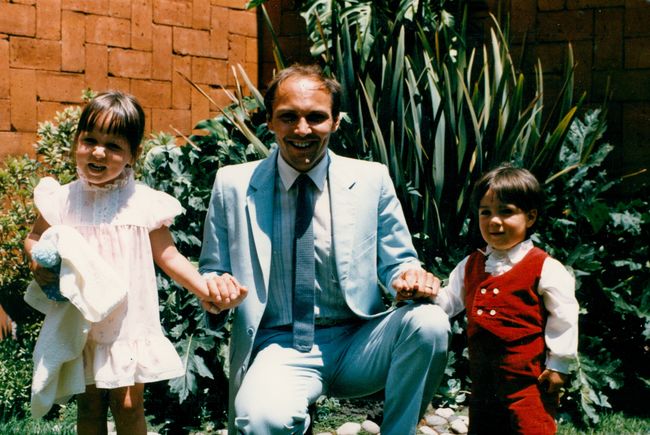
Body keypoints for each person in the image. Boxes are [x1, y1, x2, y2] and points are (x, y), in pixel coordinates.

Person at [199, 63, 450, 435]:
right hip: (279, 345)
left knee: (430, 322)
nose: (302, 130)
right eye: (288, 117)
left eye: (316, 117)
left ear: (335, 121)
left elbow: (398, 262)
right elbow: (213, 269)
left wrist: (408, 277)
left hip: (359, 341)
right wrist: (216, 291)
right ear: (268, 121)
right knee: (262, 420)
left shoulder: (370, 180)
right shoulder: (233, 185)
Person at [24, 91, 229, 435]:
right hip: (83, 322)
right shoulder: (62, 199)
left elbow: (168, 255)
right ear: (77, 141)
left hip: (129, 326)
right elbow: (34, 238)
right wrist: (37, 262)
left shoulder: (143, 203)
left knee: (129, 404)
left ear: (133, 154)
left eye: (114, 146)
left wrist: (202, 287)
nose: (99, 152)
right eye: (90, 140)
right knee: (89, 403)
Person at [434, 163, 579, 434]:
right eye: (485, 212)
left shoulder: (544, 267)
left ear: (531, 217)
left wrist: (559, 365)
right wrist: (424, 296)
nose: (494, 221)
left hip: (529, 385)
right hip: (483, 385)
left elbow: (565, 316)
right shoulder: (471, 265)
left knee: (531, 429)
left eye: (506, 212)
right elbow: (448, 300)